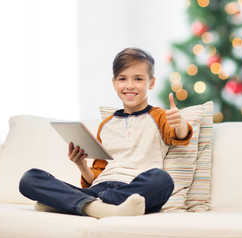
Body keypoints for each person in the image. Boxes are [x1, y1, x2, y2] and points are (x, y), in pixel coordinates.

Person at [19, 47, 193, 218]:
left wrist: (180, 123)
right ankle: (99, 207)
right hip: (99, 188)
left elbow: (180, 135)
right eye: (122, 79)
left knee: (162, 180)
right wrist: (82, 165)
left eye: (138, 79)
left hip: (132, 190)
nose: (130, 85)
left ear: (151, 83)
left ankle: (78, 204)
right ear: (114, 83)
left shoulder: (160, 117)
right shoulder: (106, 125)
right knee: (30, 179)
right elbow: (98, 173)